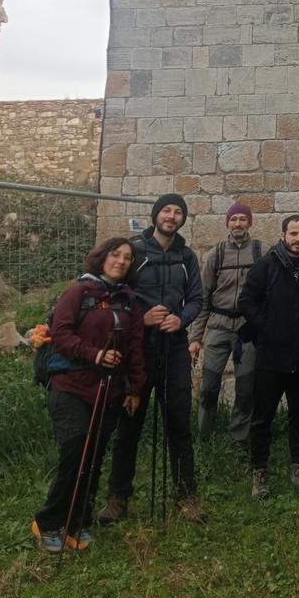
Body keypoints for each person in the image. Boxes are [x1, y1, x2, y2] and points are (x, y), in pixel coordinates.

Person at [32, 237, 146, 553]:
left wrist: (135, 387)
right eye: (116, 254)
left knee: (93, 457)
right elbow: (61, 335)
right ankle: (48, 521)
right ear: (102, 257)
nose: (122, 261)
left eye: (128, 257)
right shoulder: (79, 292)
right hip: (70, 386)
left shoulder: (128, 301)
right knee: (76, 451)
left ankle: (79, 521)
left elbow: (135, 348)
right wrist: (95, 355)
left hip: (108, 392)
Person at [100, 194, 204, 523]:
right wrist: (140, 318)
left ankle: (187, 498)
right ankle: (118, 499)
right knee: (129, 425)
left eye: (178, 212)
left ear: (183, 219)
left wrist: (182, 319)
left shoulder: (187, 257)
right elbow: (117, 294)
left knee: (179, 425)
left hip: (173, 349)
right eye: (167, 210)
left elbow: (197, 298)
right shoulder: (135, 251)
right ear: (156, 214)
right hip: (138, 350)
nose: (172, 216)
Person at [239, 214, 299, 497]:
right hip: (271, 356)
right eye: (293, 234)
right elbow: (246, 301)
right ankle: (260, 472)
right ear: (283, 236)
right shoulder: (267, 265)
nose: (298, 239)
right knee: (262, 417)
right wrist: (266, 328)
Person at [188, 203, 262, 451]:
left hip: (247, 329)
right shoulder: (216, 254)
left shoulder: (261, 252)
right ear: (227, 223)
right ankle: (204, 437)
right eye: (234, 220)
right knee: (209, 386)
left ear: (249, 223)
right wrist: (195, 337)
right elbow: (204, 297)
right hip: (218, 327)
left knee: (246, 388)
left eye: (243, 219)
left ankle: (240, 440)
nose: (238, 224)